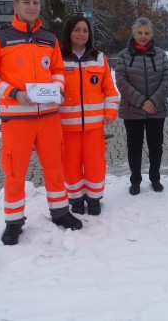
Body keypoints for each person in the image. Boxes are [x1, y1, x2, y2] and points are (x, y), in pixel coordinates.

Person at [0, 0, 83, 245]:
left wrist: (58, 87)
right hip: (16, 119)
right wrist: (13, 92)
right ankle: (14, 222)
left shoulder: (48, 37)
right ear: (16, 5)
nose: (32, 7)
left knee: (55, 167)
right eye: (26, 2)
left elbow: (58, 69)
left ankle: (59, 212)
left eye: (36, 2)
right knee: (15, 172)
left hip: (48, 117)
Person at [59, 14, 119, 216]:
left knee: (95, 163)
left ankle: (94, 198)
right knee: (70, 164)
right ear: (69, 32)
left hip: (94, 126)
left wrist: (110, 111)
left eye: (85, 30)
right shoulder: (57, 58)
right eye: (77, 29)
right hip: (66, 126)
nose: (81, 34)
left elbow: (109, 90)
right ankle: (75, 198)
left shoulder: (99, 58)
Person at [115, 17, 168, 195]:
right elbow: (121, 81)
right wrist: (141, 102)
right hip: (133, 109)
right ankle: (135, 180)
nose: (143, 36)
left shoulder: (160, 54)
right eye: (140, 33)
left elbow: (167, 78)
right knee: (134, 146)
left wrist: (153, 101)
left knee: (156, 146)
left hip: (157, 109)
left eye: (147, 33)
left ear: (151, 35)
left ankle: (155, 178)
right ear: (133, 34)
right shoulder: (124, 55)